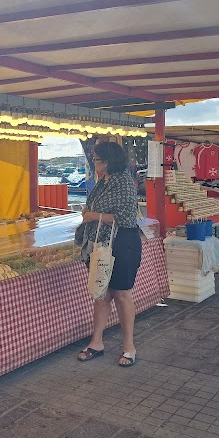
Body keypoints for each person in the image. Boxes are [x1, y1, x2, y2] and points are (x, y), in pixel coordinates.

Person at [74, 141, 141, 368]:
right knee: (101, 293)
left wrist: (92, 216)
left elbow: (125, 218)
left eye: (96, 159)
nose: (93, 162)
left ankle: (129, 346)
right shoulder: (103, 182)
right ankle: (97, 342)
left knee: (121, 294)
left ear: (108, 161)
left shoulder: (124, 183)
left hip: (122, 243)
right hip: (100, 243)